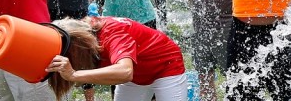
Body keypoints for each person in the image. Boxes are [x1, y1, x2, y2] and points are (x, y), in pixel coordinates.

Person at [45, 16, 187, 101]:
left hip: (166, 66)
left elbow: (125, 72)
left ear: (80, 45)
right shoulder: (85, 34)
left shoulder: (113, 34)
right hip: (136, 74)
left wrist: (74, 74)